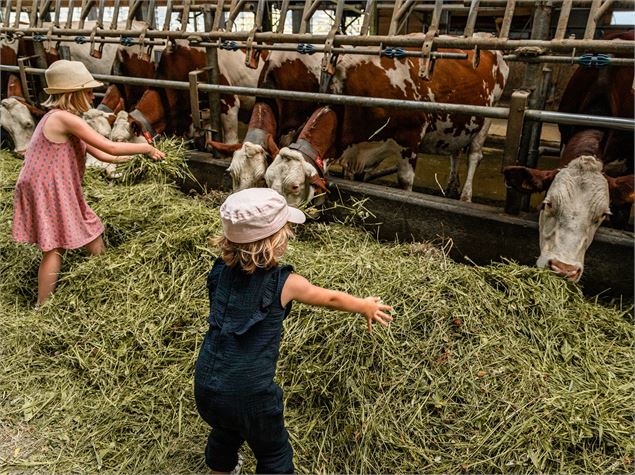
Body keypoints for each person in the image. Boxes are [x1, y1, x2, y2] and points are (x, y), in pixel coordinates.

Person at [194, 188, 393, 474]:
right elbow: (330, 298)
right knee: (274, 451)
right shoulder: (286, 282)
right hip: (252, 394)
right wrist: (364, 306)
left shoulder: (217, 270)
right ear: (276, 241)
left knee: (225, 430)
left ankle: (220, 470)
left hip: (207, 384)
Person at [11, 60, 166, 305]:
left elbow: (105, 154)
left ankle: (103, 272)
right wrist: (144, 148)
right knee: (54, 245)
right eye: (86, 90)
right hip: (48, 187)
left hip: (53, 184)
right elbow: (110, 145)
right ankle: (44, 304)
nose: (91, 94)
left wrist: (135, 160)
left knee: (85, 228)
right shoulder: (64, 119)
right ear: (74, 93)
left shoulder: (66, 118)